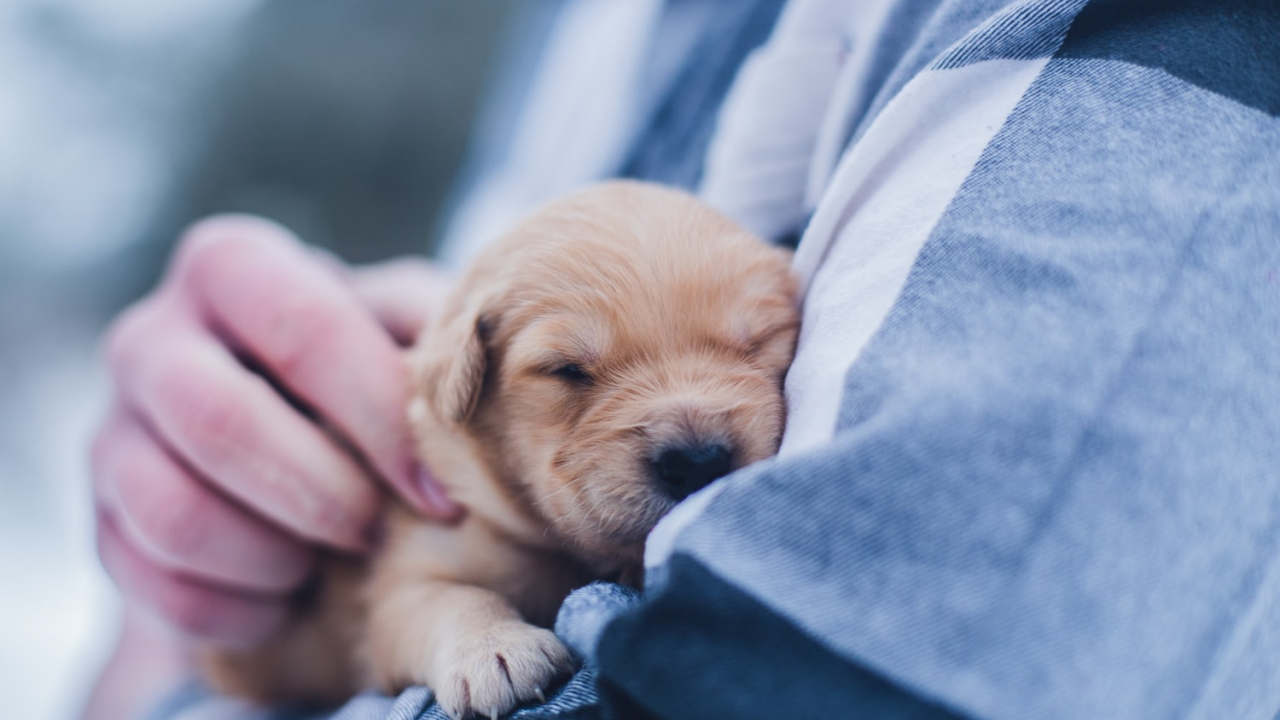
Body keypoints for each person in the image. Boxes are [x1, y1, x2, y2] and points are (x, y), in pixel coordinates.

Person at [85, 1, 1280, 719]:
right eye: (572, 374)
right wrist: (185, 535)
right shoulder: (577, 31)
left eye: (756, 348)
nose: (694, 431)